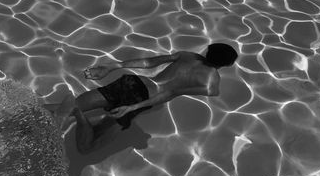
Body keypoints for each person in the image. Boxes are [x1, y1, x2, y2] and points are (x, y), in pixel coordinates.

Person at [44, 43, 238, 154]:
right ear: (227, 65)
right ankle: (77, 114)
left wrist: (114, 66)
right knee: (88, 148)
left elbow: (149, 62)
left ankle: (19, 111)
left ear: (207, 51)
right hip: (141, 98)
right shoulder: (210, 85)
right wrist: (132, 107)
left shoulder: (188, 56)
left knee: (55, 107)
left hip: (133, 82)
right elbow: (167, 94)